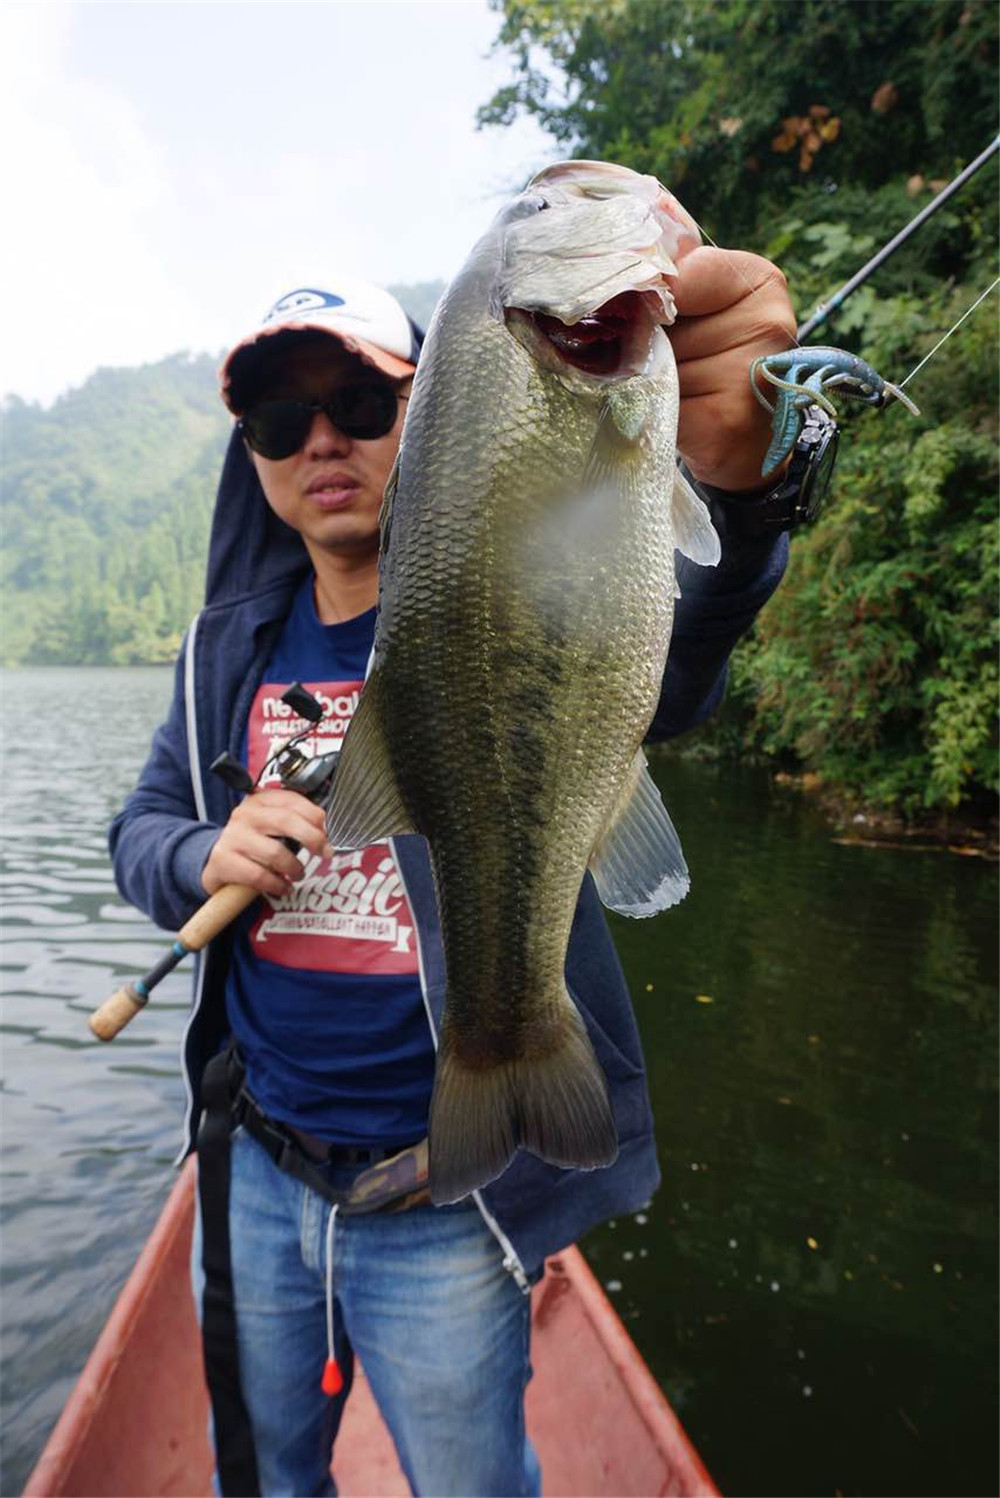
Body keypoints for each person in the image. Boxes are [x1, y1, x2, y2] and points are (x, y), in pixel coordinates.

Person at [110, 244, 798, 1497]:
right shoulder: (223, 650)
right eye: (279, 420)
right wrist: (203, 850)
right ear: (250, 454)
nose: (322, 440)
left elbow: (686, 636)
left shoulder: (539, 579)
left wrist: (747, 495)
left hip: (446, 1193)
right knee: (264, 1474)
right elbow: (140, 829)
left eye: (360, 403)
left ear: (432, 408)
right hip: (255, 1165)